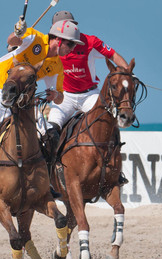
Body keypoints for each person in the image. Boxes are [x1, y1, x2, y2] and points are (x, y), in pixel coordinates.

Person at [3, 16, 85, 197]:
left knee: (49, 137)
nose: (72, 49)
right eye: (71, 45)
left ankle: (45, 183)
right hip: (2, 88)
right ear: (59, 39)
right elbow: (12, 40)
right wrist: (18, 32)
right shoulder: (35, 38)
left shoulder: (57, 65)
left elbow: (60, 97)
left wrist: (55, 95)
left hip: (22, 101)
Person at [47, 11, 130, 186]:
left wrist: (127, 72)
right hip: (65, 97)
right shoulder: (53, 48)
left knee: (109, 121)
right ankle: (50, 171)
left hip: (89, 95)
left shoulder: (90, 42)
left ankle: (116, 171)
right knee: (51, 128)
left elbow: (113, 55)